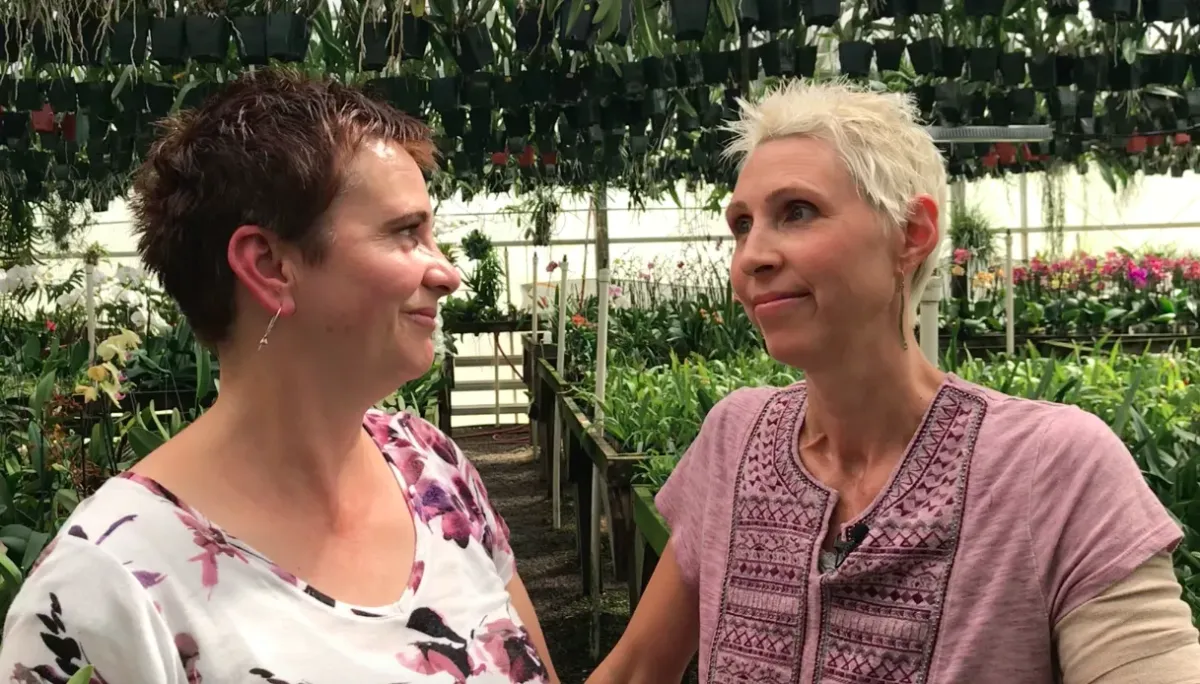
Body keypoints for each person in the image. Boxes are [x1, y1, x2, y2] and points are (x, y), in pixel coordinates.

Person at [589, 80, 1200, 684]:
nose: (752, 256)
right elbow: (638, 667)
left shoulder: (1049, 467)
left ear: (911, 234)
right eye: (742, 225)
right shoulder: (734, 437)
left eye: (796, 212)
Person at [0, 68, 558, 684]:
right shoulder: (102, 595)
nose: (446, 272)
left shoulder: (431, 466)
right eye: (406, 233)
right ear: (269, 266)